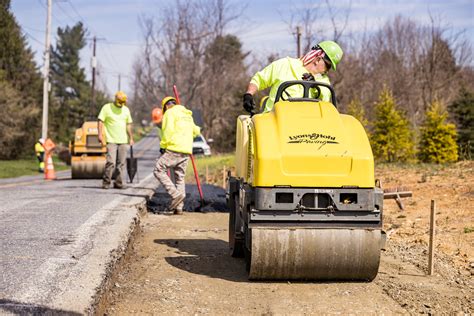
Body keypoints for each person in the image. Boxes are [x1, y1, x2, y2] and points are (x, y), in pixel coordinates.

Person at [243, 40, 343, 113]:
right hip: (273, 121)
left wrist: (315, 85)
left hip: (305, 127)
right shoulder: (285, 64)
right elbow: (260, 79)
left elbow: (326, 99)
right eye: (328, 65)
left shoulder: (323, 80)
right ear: (317, 59)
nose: (327, 70)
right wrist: (249, 94)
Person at [153, 96, 200, 215]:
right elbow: (196, 131)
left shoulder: (169, 113)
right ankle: (179, 208)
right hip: (186, 150)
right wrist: (186, 136)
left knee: (158, 169)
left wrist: (163, 146)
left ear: (165, 107)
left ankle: (175, 194)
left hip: (174, 148)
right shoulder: (187, 114)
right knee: (179, 177)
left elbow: (167, 131)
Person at [98, 91, 134, 189]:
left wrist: (131, 137)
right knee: (111, 162)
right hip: (111, 140)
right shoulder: (106, 108)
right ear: (115, 99)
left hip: (123, 140)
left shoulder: (126, 110)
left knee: (121, 163)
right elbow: (101, 121)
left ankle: (118, 183)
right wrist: (100, 134)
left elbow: (128, 125)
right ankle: (106, 183)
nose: (121, 105)